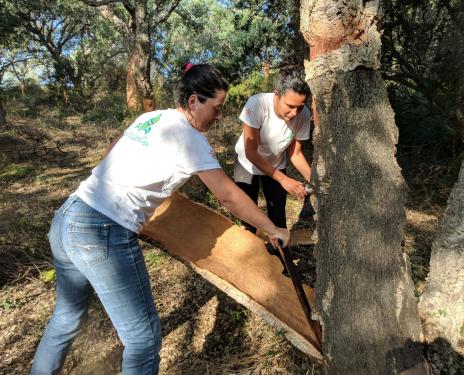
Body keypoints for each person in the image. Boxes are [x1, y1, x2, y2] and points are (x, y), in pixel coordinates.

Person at [31, 64, 289, 375]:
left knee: (66, 317)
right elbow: (228, 196)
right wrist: (272, 227)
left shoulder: (151, 117)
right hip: (101, 230)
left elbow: (113, 149)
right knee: (142, 338)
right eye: (216, 108)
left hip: (68, 215)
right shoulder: (189, 137)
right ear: (193, 101)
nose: (219, 117)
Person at [233, 69, 312, 234]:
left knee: (278, 219)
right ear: (277, 95)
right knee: (248, 218)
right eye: (290, 106)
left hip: (276, 164)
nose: (294, 113)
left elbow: (295, 154)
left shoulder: (303, 115)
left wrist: (316, 181)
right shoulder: (257, 104)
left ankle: (281, 257)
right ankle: (253, 254)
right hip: (246, 165)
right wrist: (283, 179)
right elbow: (251, 153)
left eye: (300, 107)